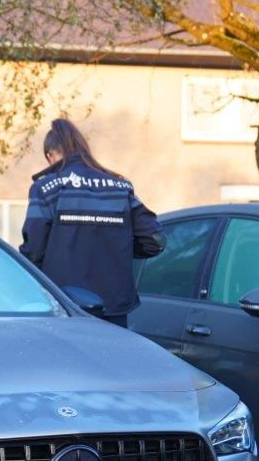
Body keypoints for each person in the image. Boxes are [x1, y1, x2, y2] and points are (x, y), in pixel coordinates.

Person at [20, 119, 166, 327]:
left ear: (51, 155)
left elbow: (33, 251)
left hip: (65, 307)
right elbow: (155, 239)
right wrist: (117, 248)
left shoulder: (45, 188)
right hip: (114, 309)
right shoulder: (120, 187)